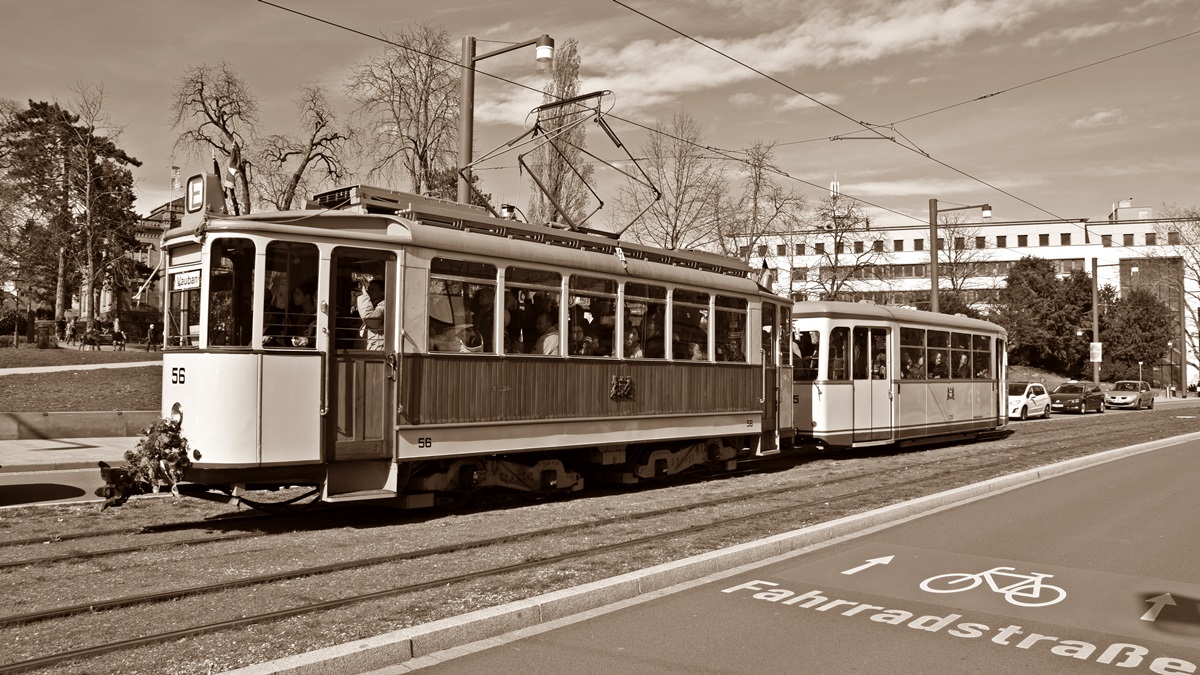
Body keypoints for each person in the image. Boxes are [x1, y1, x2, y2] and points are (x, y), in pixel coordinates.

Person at [356, 278, 385, 350]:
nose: (369, 292)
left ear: (383, 293)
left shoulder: (384, 305)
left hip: (376, 353)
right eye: (368, 289)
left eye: (373, 290)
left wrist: (363, 294)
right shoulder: (372, 305)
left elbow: (369, 317)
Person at [291, 279, 317, 347]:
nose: (294, 296)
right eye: (294, 293)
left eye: (298, 294)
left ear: (307, 297)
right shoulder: (300, 314)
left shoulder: (316, 316)